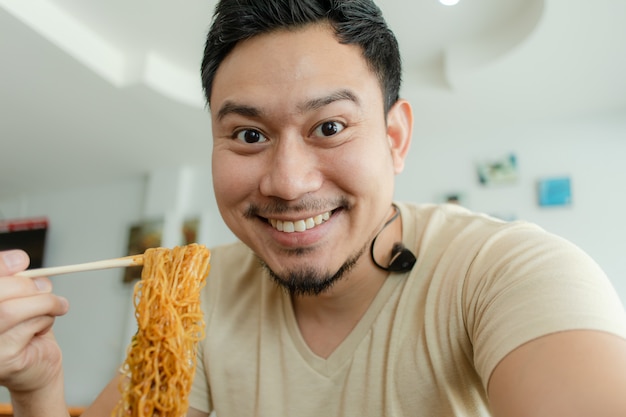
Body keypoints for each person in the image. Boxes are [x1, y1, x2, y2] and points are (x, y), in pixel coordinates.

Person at [2, 0, 626, 415]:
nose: (289, 183)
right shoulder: (198, 295)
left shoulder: (507, 271)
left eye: (329, 127)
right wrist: (39, 386)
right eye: (249, 135)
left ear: (395, 138)